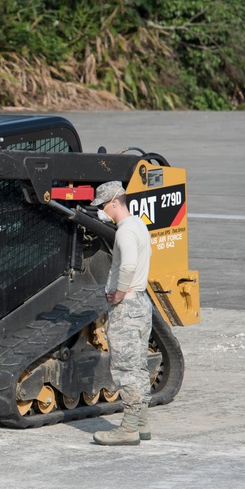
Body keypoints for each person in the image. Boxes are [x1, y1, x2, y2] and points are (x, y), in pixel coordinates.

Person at [90, 181, 153, 446]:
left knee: (126, 368)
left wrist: (118, 292)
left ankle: (128, 429)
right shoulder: (139, 224)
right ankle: (141, 423)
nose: (101, 211)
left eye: (103, 206)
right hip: (140, 303)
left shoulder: (125, 231)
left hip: (127, 307)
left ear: (115, 202)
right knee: (138, 366)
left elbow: (127, 265)